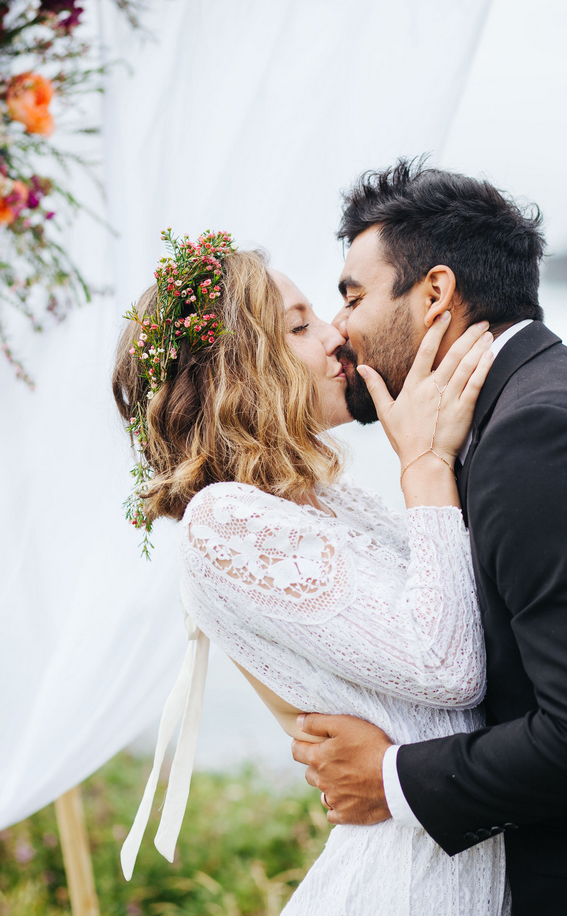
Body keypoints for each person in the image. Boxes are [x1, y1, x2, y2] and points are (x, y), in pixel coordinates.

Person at [291, 159, 567, 916]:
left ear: (436, 293)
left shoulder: (541, 438)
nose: (339, 328)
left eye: (352, 296)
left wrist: (391, 777)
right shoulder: (540, 407)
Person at [112, 233, 507, 914]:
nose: (337, 336)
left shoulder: (324, 503)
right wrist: (425, 465)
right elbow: (451, 665)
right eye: (300, 326)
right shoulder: (225, 522)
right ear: (242, 367)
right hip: (411, 887)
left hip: (454, 855)